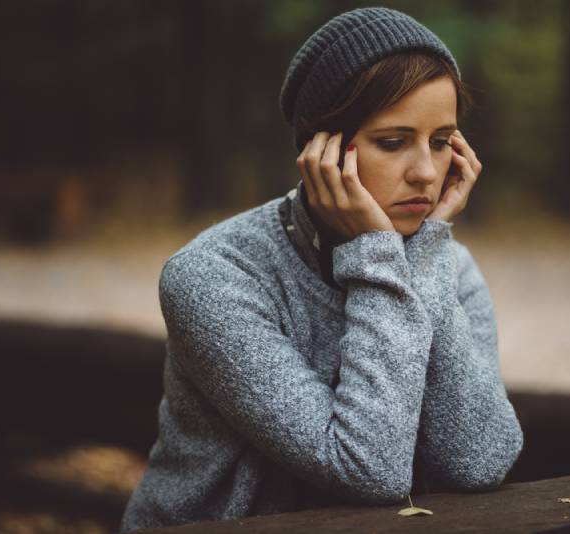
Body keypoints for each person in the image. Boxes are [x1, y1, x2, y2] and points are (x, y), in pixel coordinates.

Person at [120, 7, 523, 532]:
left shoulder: (447, 267)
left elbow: (481, 461)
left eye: (442, 141)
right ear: (321, 152)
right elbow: (368, 468)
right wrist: (378, 251)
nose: (427, 171)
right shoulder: (213, 276)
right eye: (393, 142)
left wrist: (421, 258)